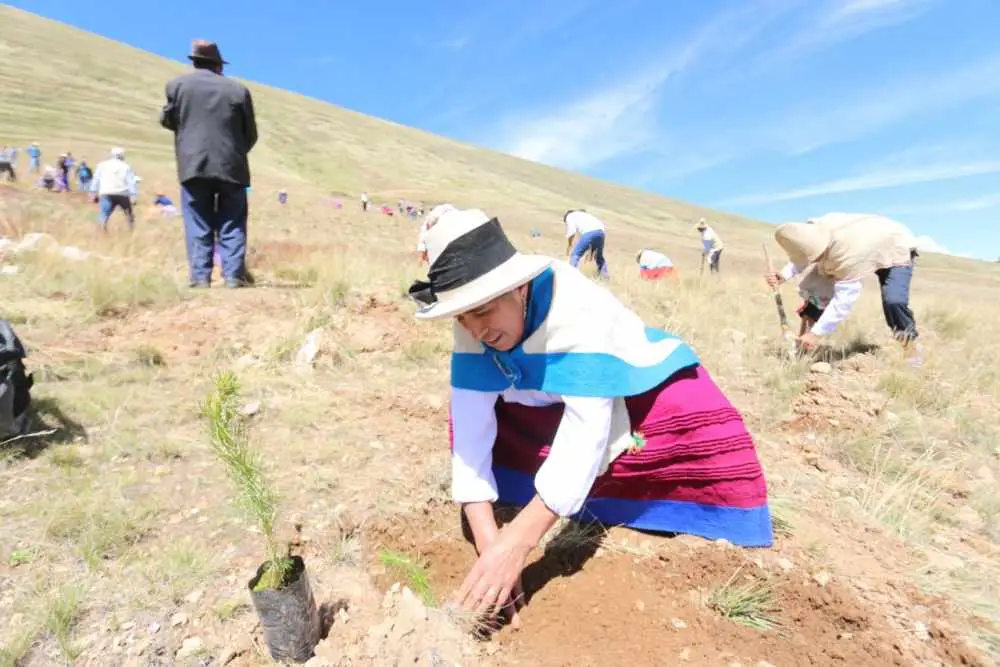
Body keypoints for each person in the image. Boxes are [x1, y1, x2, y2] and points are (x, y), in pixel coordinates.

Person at [408, 207, 773, 624]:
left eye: (483, 313)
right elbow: (470, 427)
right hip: (545, 401)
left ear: (520, 289)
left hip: (624, 384)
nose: (475, 331)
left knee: (682, 409)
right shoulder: (473, 327)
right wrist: (490, 543)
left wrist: (518, 543)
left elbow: (586, 430)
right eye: (462, 317)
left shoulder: (576, 307)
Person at [160, 39, 258, 288]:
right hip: (231, 166)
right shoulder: (238, 90)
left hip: (193, 164)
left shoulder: (177, 86)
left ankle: (200, 278)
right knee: (232, 220)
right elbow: (251, 133)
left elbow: (168, 120)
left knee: (198, 221)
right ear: (218, 65)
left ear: (194, 62)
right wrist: (234, 152)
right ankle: (233, 276)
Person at [765, 213, 921, 362]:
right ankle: (802, 348)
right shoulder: (813, 232)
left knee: (894, 302)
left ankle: (911, 351)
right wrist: (783, 275)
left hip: (896, 249)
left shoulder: (847, 257)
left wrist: (816, 334)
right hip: (862, 242)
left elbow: (843, 302)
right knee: (816, 289)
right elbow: (806, 253)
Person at [90, 147, 137, 231]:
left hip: (106, 192)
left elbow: (96, 180)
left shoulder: (102, 165)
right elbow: (131, 182)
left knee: (104, 214)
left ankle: (100, 231)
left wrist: (93, 193)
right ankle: (131, 231)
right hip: (122, 193)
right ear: (122, 156)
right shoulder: (126, 167)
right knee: (129, 215)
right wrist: (133, 196)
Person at [563, 209, 609, 279]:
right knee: (599, 257)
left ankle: (571, 276)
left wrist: (569, 245)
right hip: (601, 232)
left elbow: (571, 232)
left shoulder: (569, 216)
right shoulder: (583, 215)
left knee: (575, 255)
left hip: (589, 233)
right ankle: (605, 277)